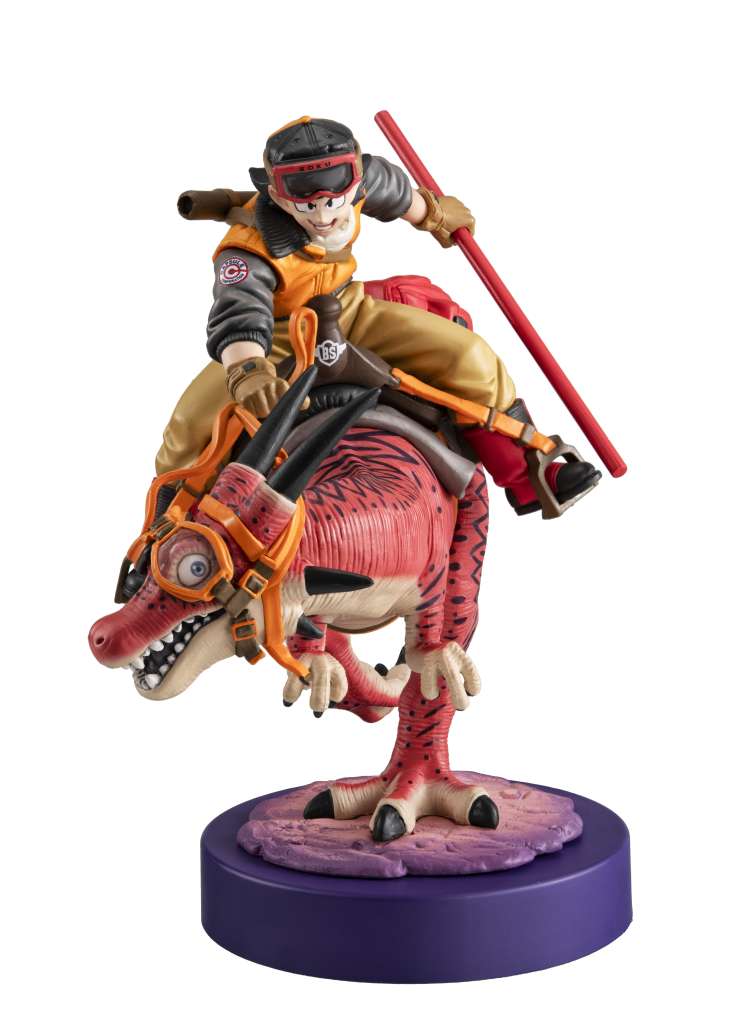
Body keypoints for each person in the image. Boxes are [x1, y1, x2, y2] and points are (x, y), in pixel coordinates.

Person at [157, 116, 599, 514]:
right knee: (187, 430)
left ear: (355, 178)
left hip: (349, 308)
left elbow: (401, 197)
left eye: (336, 197)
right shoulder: (245, 252)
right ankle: (163, 531)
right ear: (276, 193)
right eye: (306, 202)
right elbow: (240, 316)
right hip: (275, 337)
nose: (324, 213)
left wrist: (434, 215)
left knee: (470, 357)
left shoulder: (365, 181)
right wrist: (248, 372)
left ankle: (531, 477)